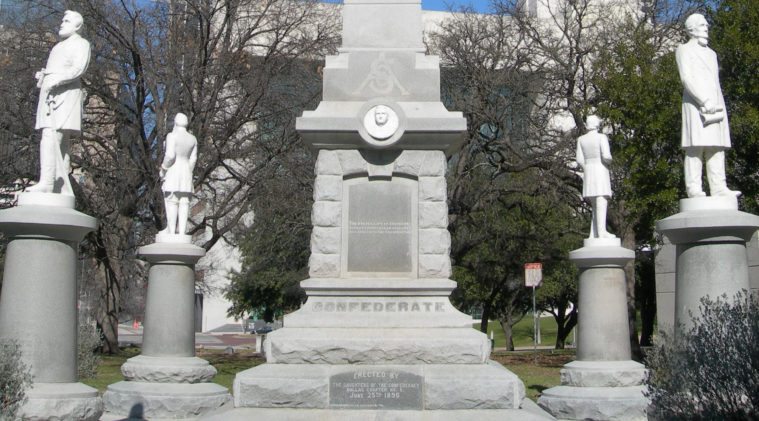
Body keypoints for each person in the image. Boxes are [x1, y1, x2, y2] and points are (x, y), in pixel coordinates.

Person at [676, 13, 739, 198]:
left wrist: (717, 103)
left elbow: (715, 81)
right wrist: (703, 100)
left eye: (706, 24)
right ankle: (694, 188)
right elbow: (686, 78)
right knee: (695, 146)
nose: (706, 28)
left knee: (716, 146)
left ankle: (719, 187)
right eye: (702, 25)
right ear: (692, 29)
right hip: (696, 105)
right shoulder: (684, 50)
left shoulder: (712, 54)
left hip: (716, 104)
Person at [29, 10, 91, 195]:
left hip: (64, 94)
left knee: (51, 136)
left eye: (67, 21)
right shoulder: (58, 47)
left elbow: (78, 68)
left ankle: (47, 182)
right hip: (51, 94)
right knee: (59, 143)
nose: (62, 23)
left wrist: (57, 80)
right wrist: (45, 76)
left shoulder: (81, 44)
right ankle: (61, 186)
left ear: (77, 26)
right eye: (62, 20)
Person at [160, 113, 197, 236]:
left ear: (175, 123)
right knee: (184, 201)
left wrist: (163, 168)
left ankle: (171, 231)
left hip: (173, 170)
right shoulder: (193, 139)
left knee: (172, 200)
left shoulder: (172, 136)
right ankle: (182, 232)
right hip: (186, 170)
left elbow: (170, 156)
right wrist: (188, 171)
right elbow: (193, 159)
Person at [577, 115, 614, 239]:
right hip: (600, 170)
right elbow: (606, 156)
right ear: (597, 125)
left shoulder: (581, 139)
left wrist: (587, 167)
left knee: (594, 205)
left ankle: (594, 233)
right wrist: (610, 161)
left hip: (589, 172)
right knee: (601, 202)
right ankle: (602, 232)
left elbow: (579, 160)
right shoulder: (601, 137)